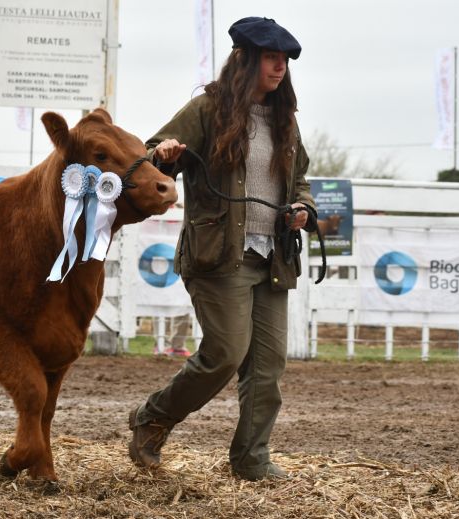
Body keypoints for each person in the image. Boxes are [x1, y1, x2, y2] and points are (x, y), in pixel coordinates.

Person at [128, 17, 317, 481]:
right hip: (218, 255)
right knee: (226, 353)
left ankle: (251, 459)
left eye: (284, 62)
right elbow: (151, 156)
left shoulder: (284, 119)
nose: (279, 68)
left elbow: (301, 183)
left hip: (273, 257)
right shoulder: (207, 109)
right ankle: (152, 419)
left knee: (269, 366)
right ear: (246, 59)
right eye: (272, 59)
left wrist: (302, 209)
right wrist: (166, 154)